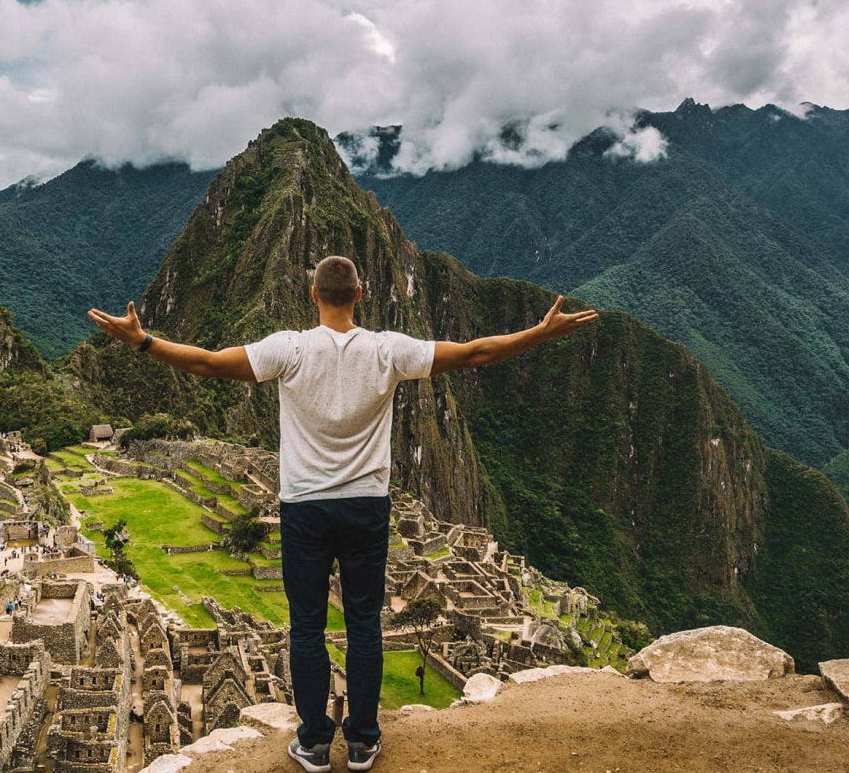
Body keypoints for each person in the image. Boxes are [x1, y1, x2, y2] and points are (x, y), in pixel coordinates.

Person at [88, 256, 597, 772]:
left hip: (305, 508)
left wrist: (144, 341)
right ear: (361, 293)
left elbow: (208, 364)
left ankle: (312, 743)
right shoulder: (387, 350)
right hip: (365, 507)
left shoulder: (287, 348)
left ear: (314, 294)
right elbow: (473, 354)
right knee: (364, 625)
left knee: (306, 626)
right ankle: (363, 742)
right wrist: (538, 333)